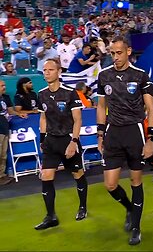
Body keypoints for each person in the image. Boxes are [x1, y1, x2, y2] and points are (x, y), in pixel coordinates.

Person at [96, 36, 153, 245]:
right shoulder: (104, 76)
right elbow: (101, 106)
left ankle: (137, 228)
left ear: (129, 51)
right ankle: (130, 208)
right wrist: (101, 134)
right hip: (113, 133)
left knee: (135, 181)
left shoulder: (140, 76)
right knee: (110, 185)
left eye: (119, 52)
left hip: (135, 132)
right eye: (112, 53)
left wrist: (150, 138)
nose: (115, 57)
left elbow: (151, 108)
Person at [35, 59, 88, 230]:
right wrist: (42, 139)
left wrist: (74, 141)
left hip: (68, 140)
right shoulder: (41, 94)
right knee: (46, 176)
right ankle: (51, 216)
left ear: (59, 72)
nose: (47, 72)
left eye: (50, 69)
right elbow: (43, 118)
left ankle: (82, 207)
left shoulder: (70, 93)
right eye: (44, 70)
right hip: (51, 141)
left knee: (78, 174)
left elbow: (78, 119)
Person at [0, 80, 27, 185]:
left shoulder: (5, 98)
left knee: (3, 155)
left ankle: (1, 175)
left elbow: (11, 111)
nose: (4, 87)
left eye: (4, 85)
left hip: (4, 128)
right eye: (2, 86)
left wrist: (19, 114)